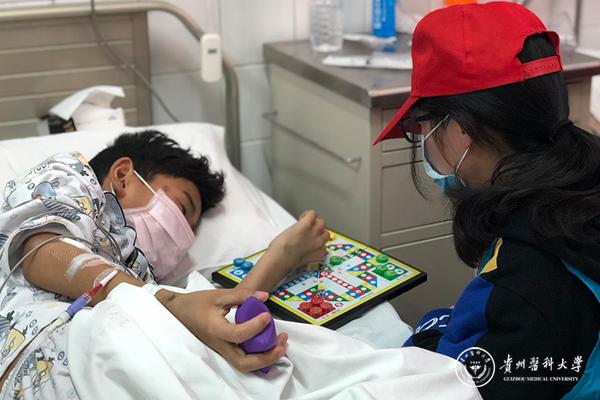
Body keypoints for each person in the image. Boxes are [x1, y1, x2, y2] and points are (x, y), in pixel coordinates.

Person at [374, 2, 600, 399]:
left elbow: (465, 385)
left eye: (421, 124)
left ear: (462, 129)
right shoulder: (579, 183)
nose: (422, 138)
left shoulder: (525, 284)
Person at [0, 130, 329, 399]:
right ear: (123, 176)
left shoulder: (139, 275)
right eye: (182, 209)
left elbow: (220, 329)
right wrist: (167, 301)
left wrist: (281, 255)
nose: (183, 236)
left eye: (192, 230)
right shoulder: (72, 178)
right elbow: (40, 251)